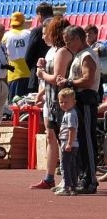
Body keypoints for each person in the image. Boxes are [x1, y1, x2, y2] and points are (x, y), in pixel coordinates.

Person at [57, 25, 101, 194]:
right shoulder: (79, 55)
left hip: (86, 100)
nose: (67, 45)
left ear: (77, 39)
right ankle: (84, 177)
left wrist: (69, 83)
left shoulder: (87, 55)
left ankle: (90, 180)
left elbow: (88, 80)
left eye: (69, 41)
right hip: (80, 100)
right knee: (81, 141)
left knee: (87, 141)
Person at [30, 16, 73, 190]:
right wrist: (41, 93)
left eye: (45, 32)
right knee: (51, 137)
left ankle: (66, 175)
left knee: (62, 138)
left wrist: (41, 74)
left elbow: (56, 78)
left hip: (59, 100)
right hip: (50, 99)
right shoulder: (51, 51)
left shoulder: (62, 51)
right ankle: (49, 176)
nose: (42, 36)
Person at [24, 2, 53, 93]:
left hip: (39, 74)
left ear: (40, 14)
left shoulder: (37, 31)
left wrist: (33, 69)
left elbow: (29, 55)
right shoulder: (64, 27)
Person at [54, 88, 79, 196]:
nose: (63, 104)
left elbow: (72, 129)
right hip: (72, 143)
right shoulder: (69, 113)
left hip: (68, 143)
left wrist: (69, 143)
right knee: (72, 165)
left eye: (66, 102)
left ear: (73, 102)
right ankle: (73, 187)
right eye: (61, 102)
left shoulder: (70, 115)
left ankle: (66, 187)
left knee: (65, 166)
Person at [3, 12, 31, 101]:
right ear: (23, 22)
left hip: (13, 75)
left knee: (15, 106)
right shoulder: (29, 34)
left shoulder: (6, 36)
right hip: (29, 75)